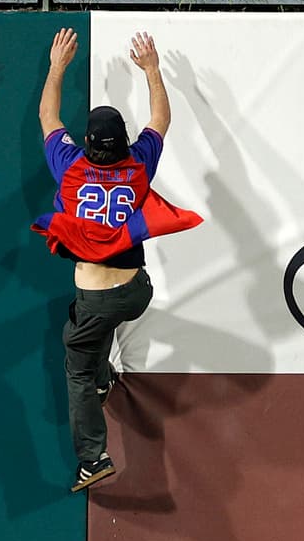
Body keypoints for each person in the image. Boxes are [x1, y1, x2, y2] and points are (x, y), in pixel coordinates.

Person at [34, 27, 201, 493]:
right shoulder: (139, 164)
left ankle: (94, 459)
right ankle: (106, 380)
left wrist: (57, 66)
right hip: (136, 291)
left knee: (76, 367)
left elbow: (48, 115)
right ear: (124, 142)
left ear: (87, 144)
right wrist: (151, 69)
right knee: (91, 331)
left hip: (97, 297)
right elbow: (161, 119)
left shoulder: (70, 167)